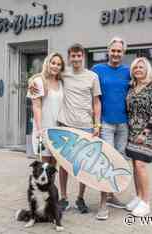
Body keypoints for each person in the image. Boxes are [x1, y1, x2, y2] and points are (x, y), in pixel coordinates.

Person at [29, 44, 102, 214]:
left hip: (77, 128)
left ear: (83, 56)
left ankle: (77, 198)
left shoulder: (87, 77)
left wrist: (97, 124)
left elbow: (97, 102)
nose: (76, 59)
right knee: (52, 165)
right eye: (73, 56)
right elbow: (40, 93)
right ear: (69, 58)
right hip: (54, 129)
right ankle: (56, 199)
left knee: (78, 165)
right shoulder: (53, 77)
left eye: (78, 55)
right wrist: (32, 80)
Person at [91, 37, 130, 220]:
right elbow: (88, 91)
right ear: (108, 51)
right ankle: (103, 204)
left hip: (123, 124)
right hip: (105, 123)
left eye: (119, 51)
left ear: (123, 53)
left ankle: (113, 195)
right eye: (113, 50)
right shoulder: (97, 70)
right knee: (106, 162)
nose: (116, 54)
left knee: (119, 162)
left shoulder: (128, 72)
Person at [125, 57, 152, 217]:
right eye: (135, 68)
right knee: (134, 165)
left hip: (146, 132)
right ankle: (139, 196)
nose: (138, 70)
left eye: (141, 67)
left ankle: (146, 202)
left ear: (147, 69)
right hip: (132, 131)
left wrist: (145, 132)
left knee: (140, 165)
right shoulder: (132, 87)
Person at [27, 53, 65, 166]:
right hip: (43, 130)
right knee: (43, 167)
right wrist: (40, 130)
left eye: (59, 64)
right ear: (47, 63)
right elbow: (36, 107)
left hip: (58, 132)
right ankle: (43, 184)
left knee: (53, 168)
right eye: (53, 63)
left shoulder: (61, 82)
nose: (55, 66)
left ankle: (50, 184)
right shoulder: (38, 82)